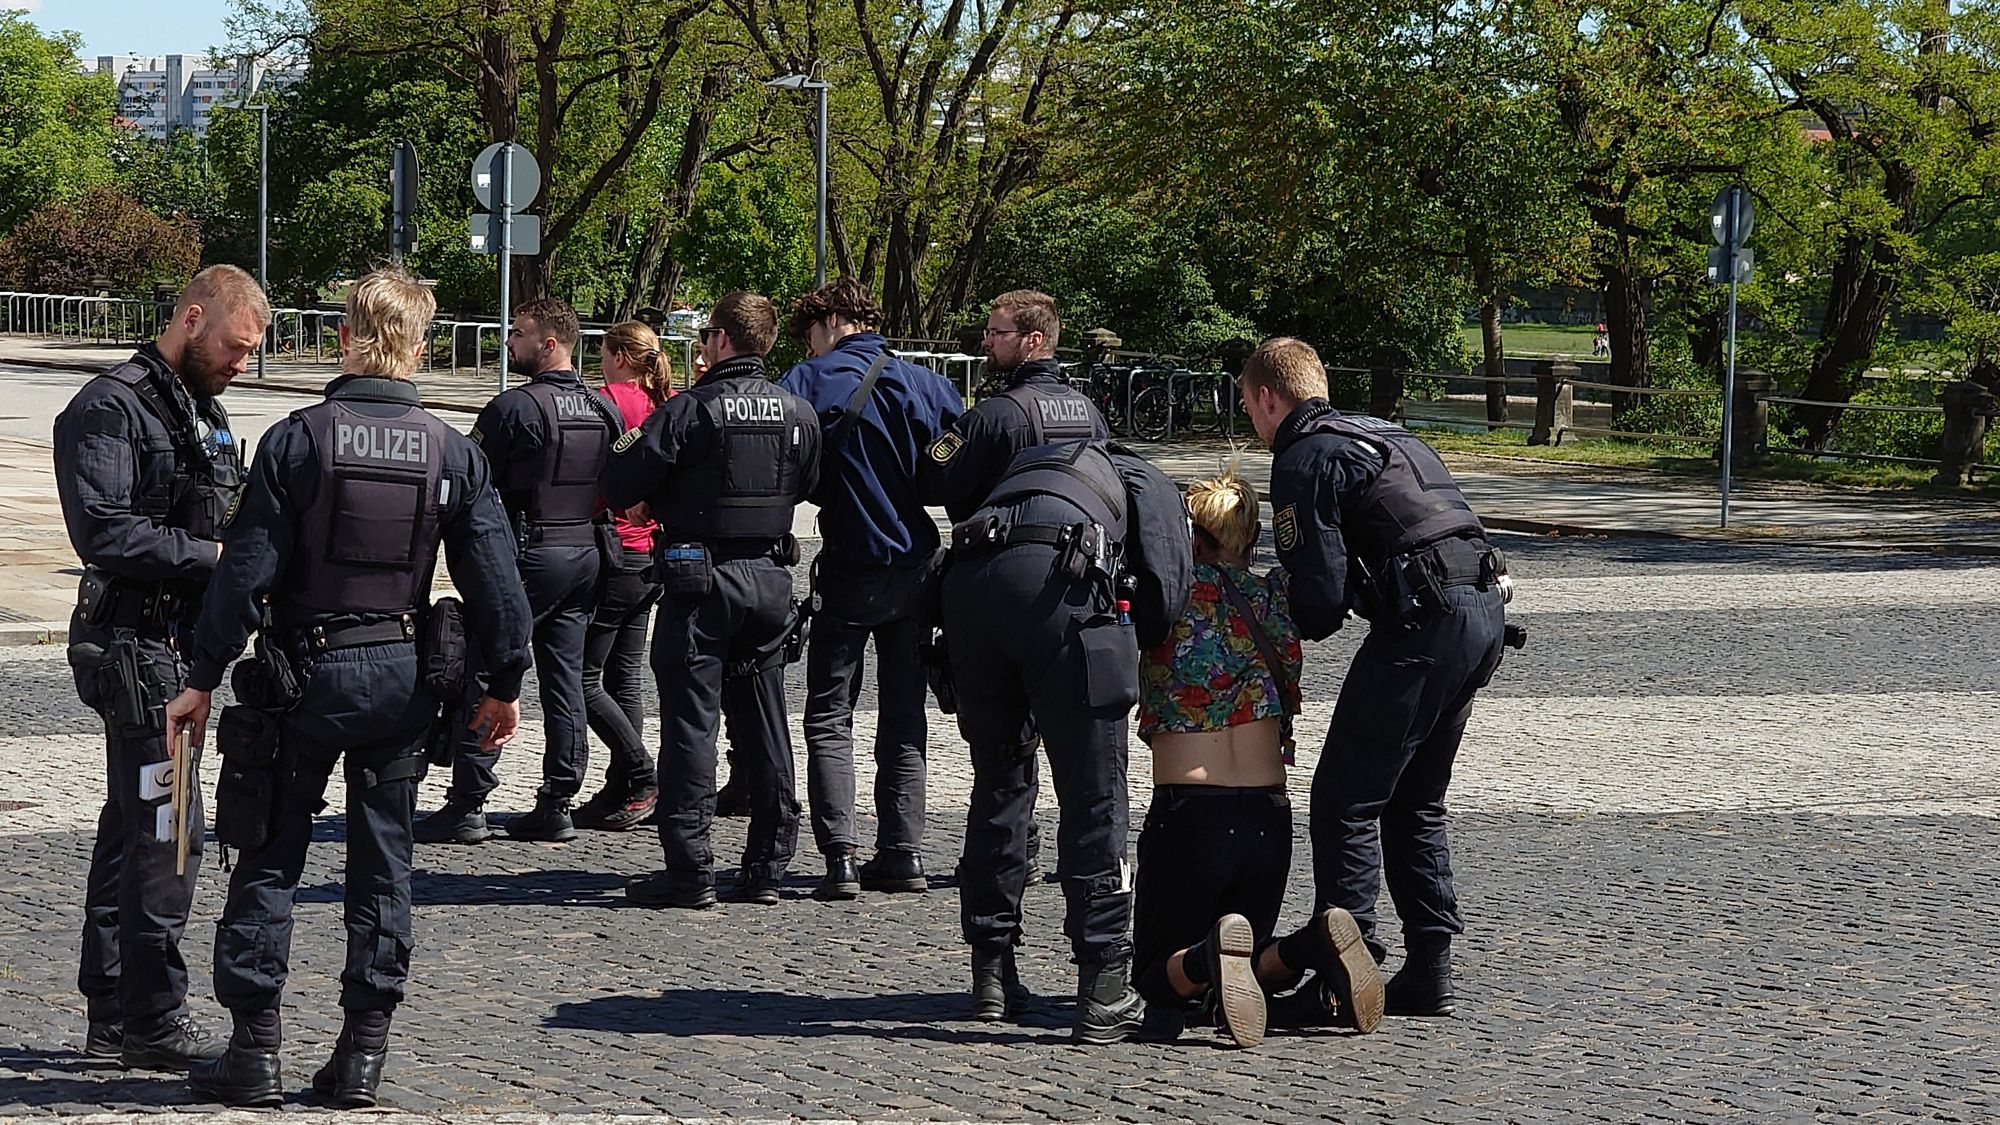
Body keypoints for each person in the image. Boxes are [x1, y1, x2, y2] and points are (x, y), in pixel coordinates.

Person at [164, 267, 532, 1107]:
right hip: (402, 681)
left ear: (343, 337)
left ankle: (255, 1048)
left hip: (303, 679)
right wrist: (505, 682)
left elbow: (245, 575)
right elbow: (498, 588)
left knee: (266, 850)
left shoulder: (298, 439)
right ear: (424, 346)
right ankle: (362, 1054)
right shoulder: (452, 450)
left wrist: (201, 677)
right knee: (383, 864)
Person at [1239, 336, 1507, 1018]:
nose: (1252, 421)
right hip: (1484, 612)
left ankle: (1340, 974)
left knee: (1344, 799)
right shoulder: (1385, 432)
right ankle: (1430, 967)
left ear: (1270, 398)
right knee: (1415, 798)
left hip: (1426, 620)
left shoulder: (1302, 454)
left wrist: (1262, 610)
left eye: (1249, 407)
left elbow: (1322, 600)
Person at [53, 264, 268, 1071]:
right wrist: (217, 556)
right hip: (135, 649)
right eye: (236, 346)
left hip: (175, 645)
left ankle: (113, 1005)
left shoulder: (198, 408)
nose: (243, 363)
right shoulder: (111, 406)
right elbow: (105, 533)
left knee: (132, 828)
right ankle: (151, 1017)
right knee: (171, 828)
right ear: (191, 316)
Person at [1130, 471, 1384, 1048]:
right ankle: (1310, 945)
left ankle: (1201, 958)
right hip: (1268, 816)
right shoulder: (1277, 597)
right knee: (1245, 964)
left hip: (1189, 811)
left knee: (1154, 975)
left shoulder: (1169, 600)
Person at [601, 292, 821, 909]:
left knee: (691, 724)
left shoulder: (692, 409)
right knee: (767, 720)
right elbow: (808, 482)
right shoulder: (798, 410)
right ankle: (769, 864)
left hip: (700, 578)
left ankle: (691, 867)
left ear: (721, 340)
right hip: (771, 577)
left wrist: (662, 498)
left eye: (704, 337)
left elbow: (621, 480)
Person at [777, 279, 964, 899]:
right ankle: (904, 853)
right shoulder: (929, 384)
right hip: (915, 566)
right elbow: (954, 471)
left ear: (830, 321)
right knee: (905, 715)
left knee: (830, 715)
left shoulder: (807, 380)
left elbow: (782, 464)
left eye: (811, 331)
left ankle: (840, 856)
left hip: (850, 565)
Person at [417, 297, 615, 844]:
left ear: (550, 343)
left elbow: (472, 488)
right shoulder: (604, 411)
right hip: (584, 553)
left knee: (484, 668)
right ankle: (558, 800)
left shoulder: (513, 410)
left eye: (519, 333)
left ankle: (469, 802)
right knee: (566, 677)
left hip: (526, 553)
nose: (509, 341)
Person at [572, 321, 674, 832]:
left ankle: (639, 772)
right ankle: (624, 787)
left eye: (605, 352)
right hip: (654, 551)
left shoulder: (607, 400)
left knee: (583, 677)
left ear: (618, 356)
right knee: (624, 676)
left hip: (616, 548)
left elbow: (593, 476)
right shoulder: (667, 400)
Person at [917, 289, 1105, 522]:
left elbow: (931, 484)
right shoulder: (1090, 413)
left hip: (1002, 554)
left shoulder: (994, 416)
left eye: (997, 333)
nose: (986, 342)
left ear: (1033, 340)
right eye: (988, 332)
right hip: (1077, 553)